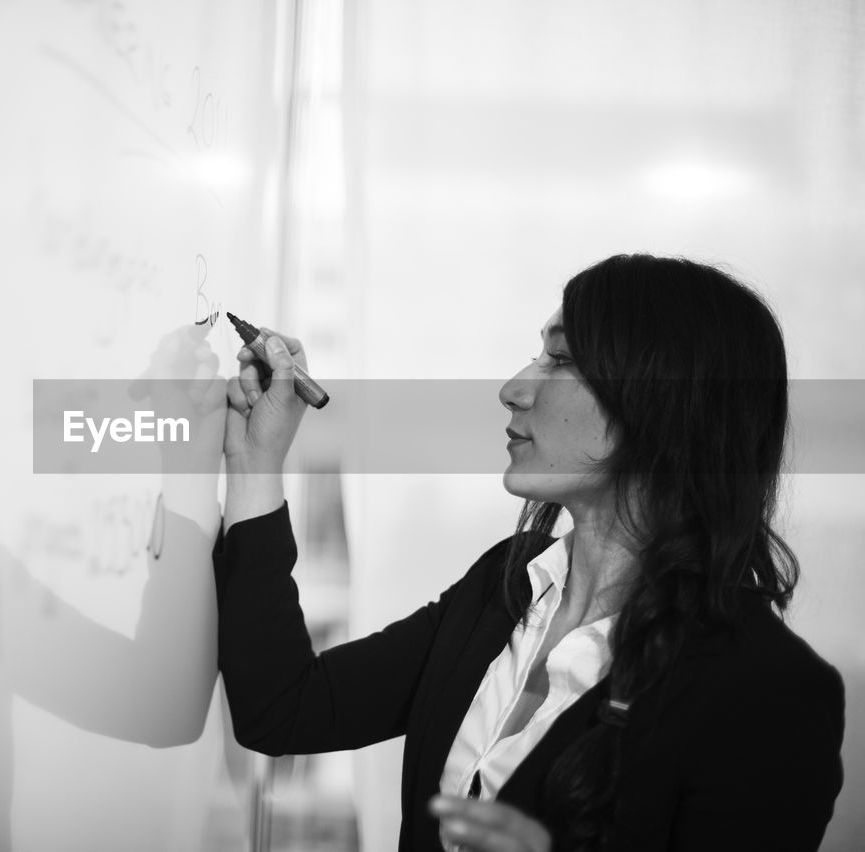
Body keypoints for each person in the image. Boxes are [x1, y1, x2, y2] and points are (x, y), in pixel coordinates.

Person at [212, 254, 845, 851]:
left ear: (665, 402)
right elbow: (283, 709)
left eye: (561, 360)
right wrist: (256, 460)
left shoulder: (769, 692)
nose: (514, 389)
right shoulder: (509, 584)